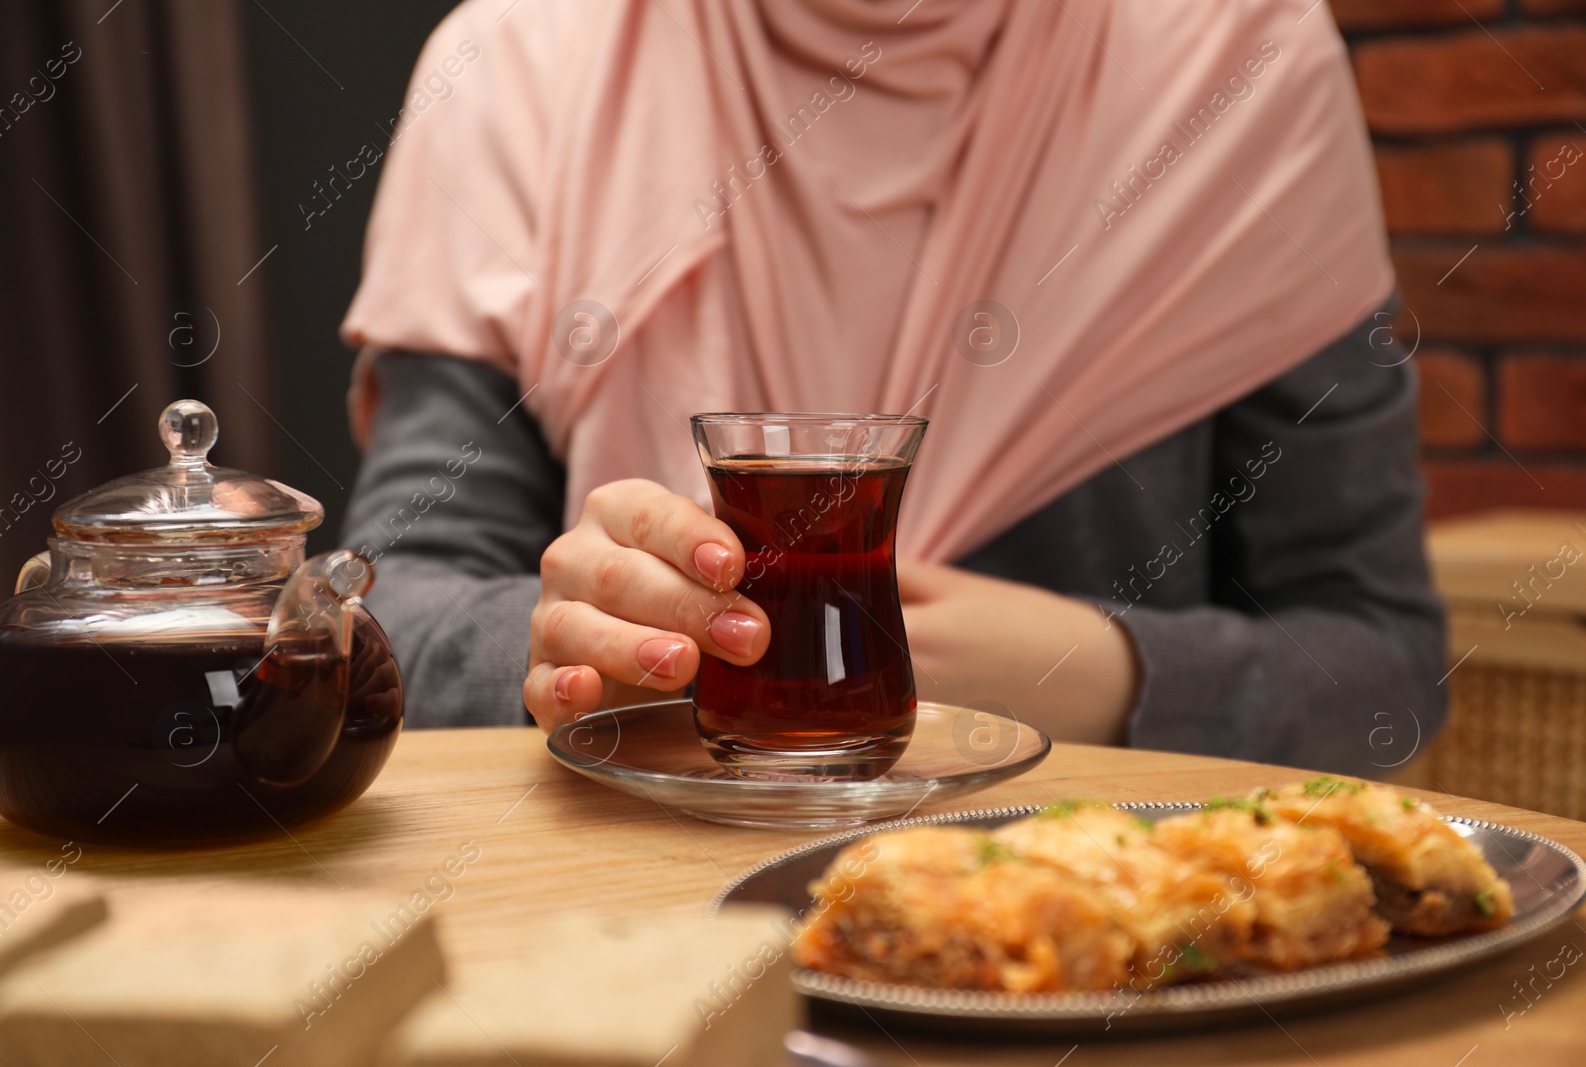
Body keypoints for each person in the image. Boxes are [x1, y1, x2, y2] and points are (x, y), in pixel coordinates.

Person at [338, 0, 1445, 774]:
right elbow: (387, 618)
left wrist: (1099, 672)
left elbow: (1383, 665)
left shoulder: (1240, 61)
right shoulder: (516, 66)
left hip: (1106, 944)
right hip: (637, 948)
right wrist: (591, 649)